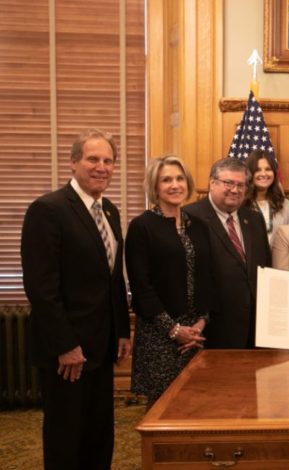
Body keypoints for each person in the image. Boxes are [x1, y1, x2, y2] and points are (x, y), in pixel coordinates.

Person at [21, 129, 131, 469]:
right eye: (93, 159)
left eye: (108, 161)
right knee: (66, 435)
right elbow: (41, 288)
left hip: (102, 346)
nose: (102, 167)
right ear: (73, 163)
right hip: (67, 352)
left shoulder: (109, 211)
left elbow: (113, 280)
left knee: (99, 433)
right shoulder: (48, 210)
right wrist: (65, 345)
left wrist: (123, 331)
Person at [125, 156, 212, 406]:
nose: (175, 185)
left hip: (196, 334)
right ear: (155, 187)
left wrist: (200, 323)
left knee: (195, 407)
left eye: (179, 178)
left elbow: (207, 277)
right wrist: (174, 331)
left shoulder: (197, 226)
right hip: (160, 335)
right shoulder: (142, 227)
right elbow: (141, 287)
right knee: (164, 410)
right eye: (166, 180)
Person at [184, 157, 271, 348]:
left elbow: (266, 267)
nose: (235, 190)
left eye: (241, 185)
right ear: (212, 183)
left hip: (255, 329)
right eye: (228, 183)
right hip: (212, 328)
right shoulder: (189, 218)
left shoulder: (254, 219)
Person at [244, 149, 289, 243]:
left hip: (280, 257)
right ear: (249, 174)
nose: (264, 174)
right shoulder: (241, 205)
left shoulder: (286, 205)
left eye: (268, 169)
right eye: (258, 170)